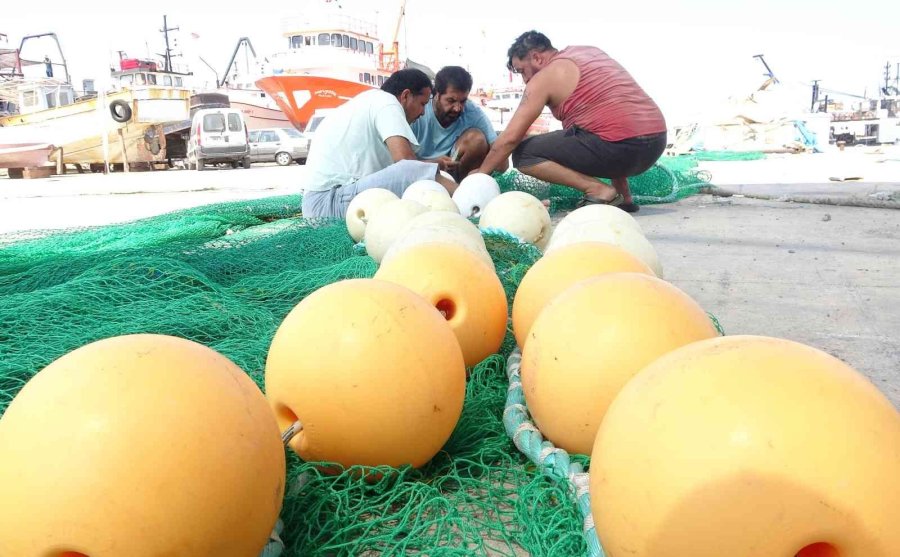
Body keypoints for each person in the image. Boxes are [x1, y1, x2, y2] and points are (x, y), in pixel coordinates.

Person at [477, 31, 667, 213]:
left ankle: (598, 190)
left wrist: (480, 176)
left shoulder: (545, 77)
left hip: (620, 148)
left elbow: (510, 138)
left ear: (537, 58)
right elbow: (613, 116)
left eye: (522, 71)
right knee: (602, 128)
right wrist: (623, 194)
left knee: (523, 153)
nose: (525, 79)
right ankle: (624, 196)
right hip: (655, 144)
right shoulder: (589, 52)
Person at [301, 68, 456, 219]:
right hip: (329, 203)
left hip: (324, 202)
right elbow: (407, 164)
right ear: (405, 96)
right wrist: (430, 167)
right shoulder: (387, 102)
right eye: (422, 104)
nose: (423, 113)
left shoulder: (370, 101)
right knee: (412, 171)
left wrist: (433, 164)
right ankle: (468, 200)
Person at [411, 66, 506, 180]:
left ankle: (462, 186)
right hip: (418, 171)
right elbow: (399, 161)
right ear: (437, 95)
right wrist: (433, 163)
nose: (457, 108)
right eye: (451, 101)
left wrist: (482, 172)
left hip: (453, 171)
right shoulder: (419, 110)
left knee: (476, 139)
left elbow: (502, 159)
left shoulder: (472, 112)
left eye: (463, 101)